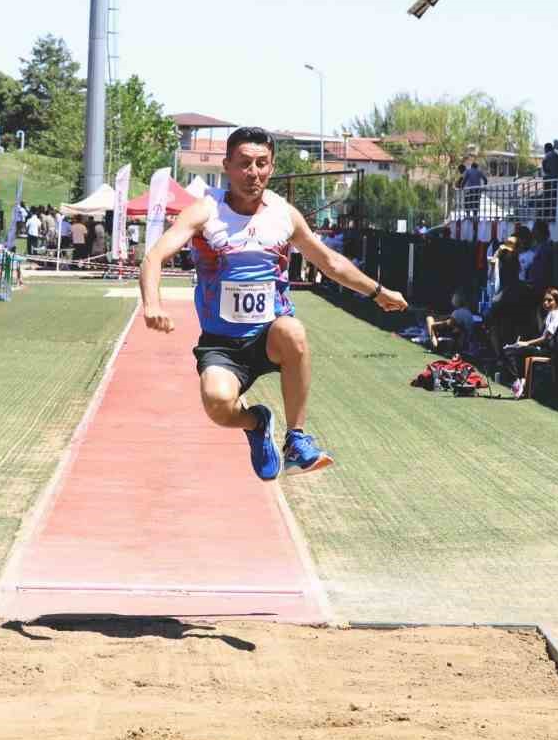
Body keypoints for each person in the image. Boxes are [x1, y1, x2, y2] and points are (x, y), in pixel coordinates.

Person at [138, 126, 408, 480]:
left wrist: (378, 292)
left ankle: (296, 440)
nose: (254, 173)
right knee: (218, 405)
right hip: (222, 343)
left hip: (270, 334)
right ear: (227, 167)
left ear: (272, 165)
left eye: (262, 164)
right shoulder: (206, 212)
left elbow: (331, 263)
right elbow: (154, 256)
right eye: (245, 164)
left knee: (293, 329)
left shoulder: (284, 214)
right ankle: (256, 421)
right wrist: (152, 304)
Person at [503, 287, 558, 398]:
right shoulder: (550, 315)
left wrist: (527, 343)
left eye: (550, 300)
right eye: (545, 300)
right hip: (543, 348)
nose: (546, 303)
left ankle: (517, 382)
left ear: (557, 301)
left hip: (548, 351)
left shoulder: (557, 315)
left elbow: (546, 338)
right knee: (512, 349)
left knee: (508, 351)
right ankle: (521, 381)